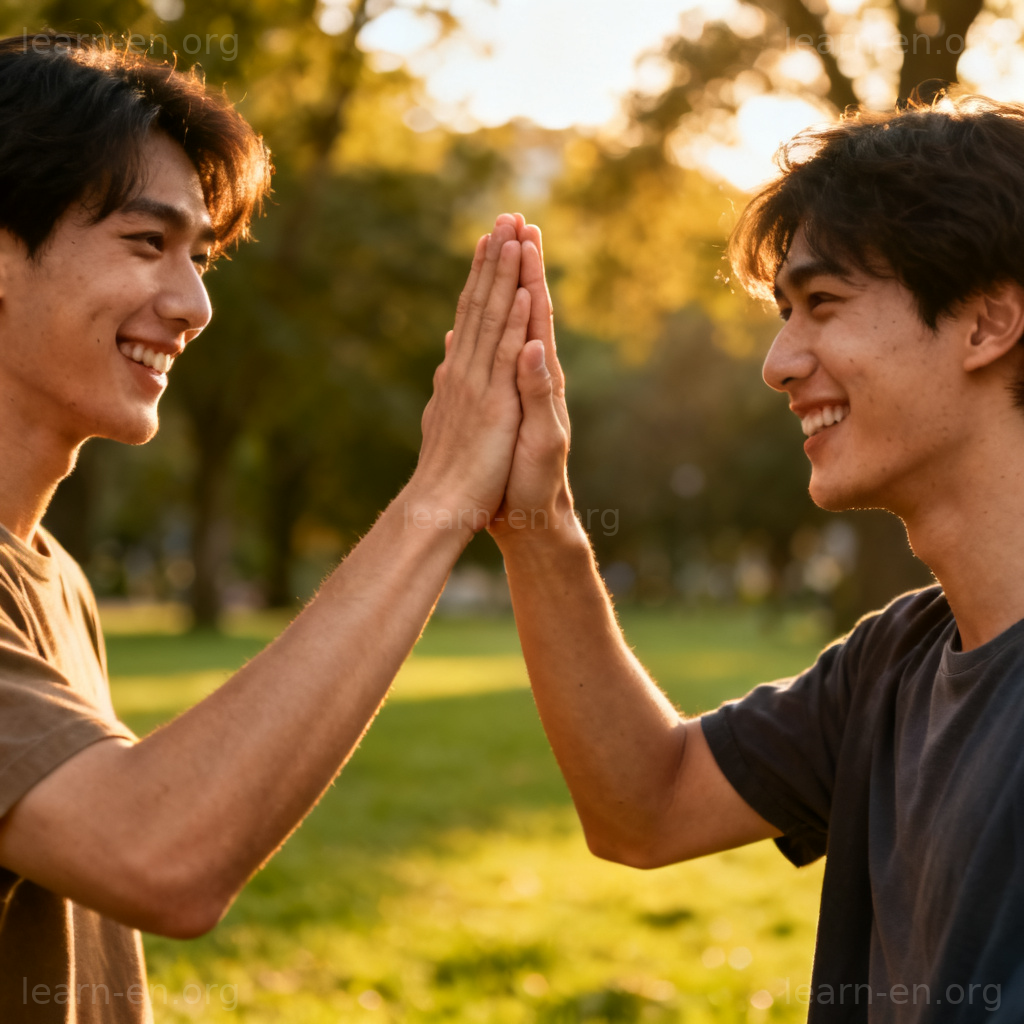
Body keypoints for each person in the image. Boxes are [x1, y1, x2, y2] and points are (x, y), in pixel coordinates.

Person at [0, 33, 543, 1022]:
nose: (194, 304)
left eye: (198, 256)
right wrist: (438, 499)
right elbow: (159, 853)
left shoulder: (53, 577)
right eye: (144, 243)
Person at [493, 93, 1024, 1021]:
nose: (779, 362)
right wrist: (536, 518)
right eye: (786, 313)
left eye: (823, 304)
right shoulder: (890, 666)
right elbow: (644, 808)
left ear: (986, 323)